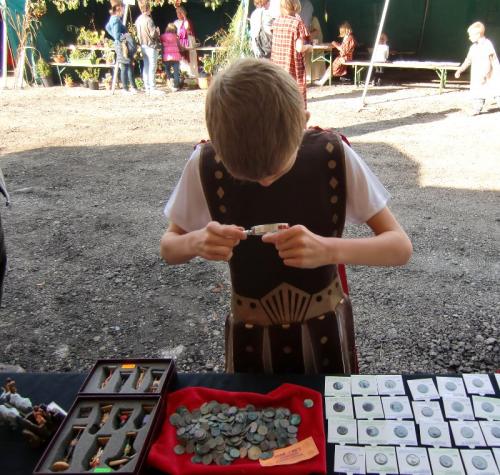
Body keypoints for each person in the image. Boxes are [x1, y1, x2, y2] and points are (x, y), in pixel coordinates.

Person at [159, 58, 412, 375]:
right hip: (249, 339)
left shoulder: (333, 155)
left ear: (303, 122)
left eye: (277, 168)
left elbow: (399, 247)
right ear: (216, 147)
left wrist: (328, 249)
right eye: (248, 177)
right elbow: (169, 248)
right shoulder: (204, 162)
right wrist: (195, 242)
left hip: (325, 336)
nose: (265, 182)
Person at [271, 0, 312, 106]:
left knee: (279, 99)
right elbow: (299, 48)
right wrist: (309, 47)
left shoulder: (276, 22)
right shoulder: (297, 24)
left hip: (277, 69)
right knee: (294, 101)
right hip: (292, 70)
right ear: (296, 4)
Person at [455, 21, 500, 116]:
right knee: (478, 92)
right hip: (478, 74)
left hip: (491, 75)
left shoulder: (487, 44)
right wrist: (460, 70)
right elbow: (468, 60)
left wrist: (485, 74)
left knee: (497, 92)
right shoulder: (473, 47)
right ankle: (476, 109)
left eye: (471, 35)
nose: (469, 37)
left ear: (478, 34)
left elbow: (490, 61)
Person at [105, 2, 138, 94]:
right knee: (124, 66)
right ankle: (125, 88)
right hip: (122, 45)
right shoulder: (115, 19)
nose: (123, 10)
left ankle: (131, 87)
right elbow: (116, 35)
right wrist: (125, 36)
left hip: (121, 44)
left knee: (127, 65)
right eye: (122, 8)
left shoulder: (113, 19)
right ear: (119, 9)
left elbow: (107, 27)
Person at [316, 21, 356, 86]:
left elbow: (343, 50)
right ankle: (323, 80)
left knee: (332, 66)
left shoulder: (350, 38)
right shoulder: (348, 37)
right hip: (343, 57)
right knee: (332, 66)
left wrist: (335, 44)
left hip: (346, 58)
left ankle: (323, 81)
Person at [135, 0, 162, 94]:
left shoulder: (138, 19)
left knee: (146, 66)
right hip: (151, 46)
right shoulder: (149, 20)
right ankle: (153, 88)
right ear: (148, 8)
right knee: (152, 67)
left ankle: (147, 87)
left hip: (143, 45)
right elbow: (153, 34)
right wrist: (157, 31)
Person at [160, 23, 185, 91]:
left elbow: (161, 46)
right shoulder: (176, 37)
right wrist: (184, 48)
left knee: (167, 70)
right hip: (176, 57)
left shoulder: (162, 37)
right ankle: (176, 86)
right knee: (176, 72)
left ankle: (171, 80)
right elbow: (180, 47)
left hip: (167, 57)